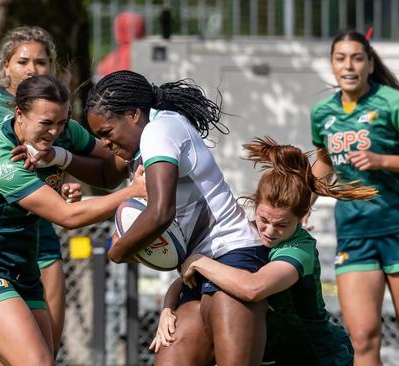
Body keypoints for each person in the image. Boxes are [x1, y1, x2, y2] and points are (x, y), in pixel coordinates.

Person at [0, 26, 126, 358]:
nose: (32, 68)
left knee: (36, 356)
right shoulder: (2, 155)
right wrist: (136, 191)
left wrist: (65, 161)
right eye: (23, 61)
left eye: (41, 61)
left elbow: (110, 166)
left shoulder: (57, 123)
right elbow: (69, 216)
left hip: (30, 252)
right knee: (36, 361)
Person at [85, 70, 268, 366]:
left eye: (106, 132)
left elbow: (160, 212)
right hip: (194, 270)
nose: (104, 143)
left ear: (133, 114)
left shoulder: (159, 131)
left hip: (233, 257)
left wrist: (117, 250)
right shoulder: (152, 138)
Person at [153, 137, 376, 365]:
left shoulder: (300, 249)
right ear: (255, 204)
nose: (269, 231)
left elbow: (253, 288)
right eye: (264, 219)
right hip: (272, 355)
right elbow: (186, 280)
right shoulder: (244, 236)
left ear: (301, 218)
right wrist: (167, 309)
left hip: (315, 356)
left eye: (282, 225)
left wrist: (199, 260)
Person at [309, 30, 399, 365]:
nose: (349, 65)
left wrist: (383, 161)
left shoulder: (393, 103)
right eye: (340, 58)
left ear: (370, 64)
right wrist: (303, 201)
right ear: (332, 65)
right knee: (362, 340)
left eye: (357, 57)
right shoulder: (322, 113)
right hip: (354, 233)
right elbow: (325, 162)